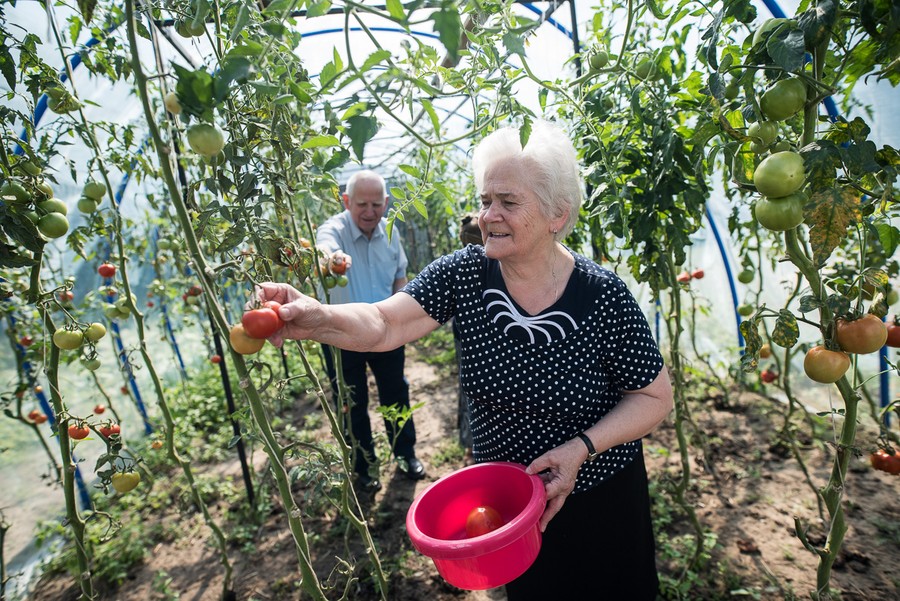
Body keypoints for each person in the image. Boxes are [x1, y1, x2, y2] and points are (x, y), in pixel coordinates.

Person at [260, 121, 673, 598]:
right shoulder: (466, 274)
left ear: (557, 214)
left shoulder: (602, 296)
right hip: (510, 509)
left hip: (599, 495)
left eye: (508, 202)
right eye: (485, 200)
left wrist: (581, 447)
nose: (488, 216)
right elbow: (385, 322)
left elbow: (654, 398)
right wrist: (319, 317)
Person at [315, 169, 425, 493]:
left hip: (386, 330)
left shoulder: (390, 232)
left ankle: (405, 455)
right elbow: (324, 247)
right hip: (339, 334)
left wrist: (403, 317)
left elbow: (400, 277)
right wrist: (332, 258)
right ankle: (364, 468)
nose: (369, 212)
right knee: (351, 401)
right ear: (346, 201)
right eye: (361, 204)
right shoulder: (333, 230)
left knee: (396, 392)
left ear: (386, 202)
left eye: (376, 205)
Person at [455, 214, 482, 466]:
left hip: (466, 352)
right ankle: (472, 447)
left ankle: (470, 447)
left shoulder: (463, 273)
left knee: (468, 393)